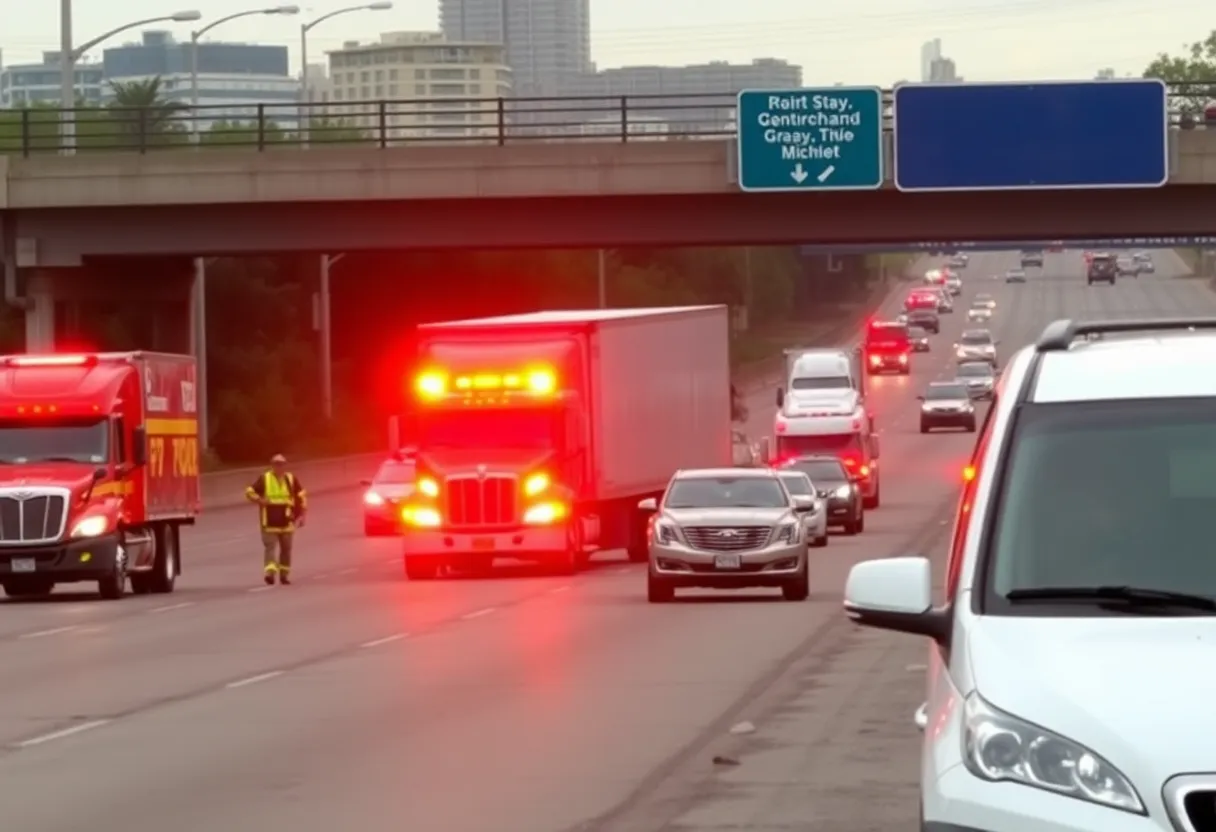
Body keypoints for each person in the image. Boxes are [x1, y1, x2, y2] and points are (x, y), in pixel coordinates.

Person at [244, 453, 307, 585]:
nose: (279, 467)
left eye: (281, 464)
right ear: (272, 465)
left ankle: (284, 576)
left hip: (287, 522)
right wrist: (259, 500)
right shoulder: (265, 478)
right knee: (270, 548)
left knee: (286, 550)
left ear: (285, 465)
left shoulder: (291, 479)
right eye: (276, 464)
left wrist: (302, 515)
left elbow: (301, 496)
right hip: (269, 522)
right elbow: (249, 491)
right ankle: (270, 574)